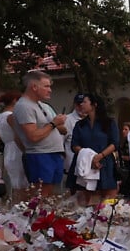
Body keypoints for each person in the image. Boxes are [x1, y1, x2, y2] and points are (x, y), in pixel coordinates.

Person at [12, 70, 72, 202]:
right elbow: (32, 136)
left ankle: (48, 220)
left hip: (53, 154)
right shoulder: (24, 106)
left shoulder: (40, 105)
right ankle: (38, 220)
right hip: (40, 155)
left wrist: (57, 124)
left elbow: (53, 127)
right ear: (34, 87)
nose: (50, 90)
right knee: (41, 196)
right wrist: (53, 123)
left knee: (51, 195)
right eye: (46, 86)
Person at [68, 95, 117, 202]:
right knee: (86, 198)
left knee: (108, 198)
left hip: (104, 162)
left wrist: (99, 156)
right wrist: (89, 156)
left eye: (85, 102)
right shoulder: (79, 124)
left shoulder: (109, 123)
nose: (81, 104)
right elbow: (74, 145)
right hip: (85, 163)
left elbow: (114, 143)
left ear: (94, 105)